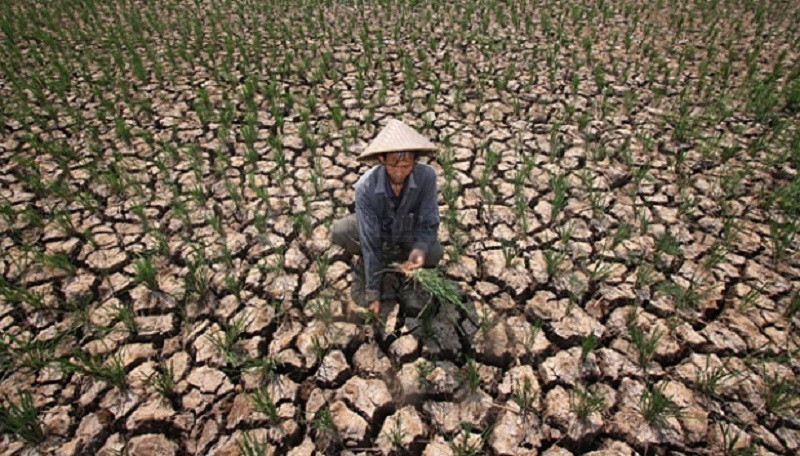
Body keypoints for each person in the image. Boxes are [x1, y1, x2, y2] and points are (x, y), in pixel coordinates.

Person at [331, 118, 444, 316]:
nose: (400, 172)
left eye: (406, 166)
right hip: (379, 233)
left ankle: (401, 260)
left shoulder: (427, 177)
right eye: (393, 165)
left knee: (434, 253)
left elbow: (429, 221)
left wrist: (420, 248)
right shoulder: (365, 187)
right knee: (340, 232)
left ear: (416, 161)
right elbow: (369, 240)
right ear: (382, 159)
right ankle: (369, 265)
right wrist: (373, 292)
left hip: (406, 233)